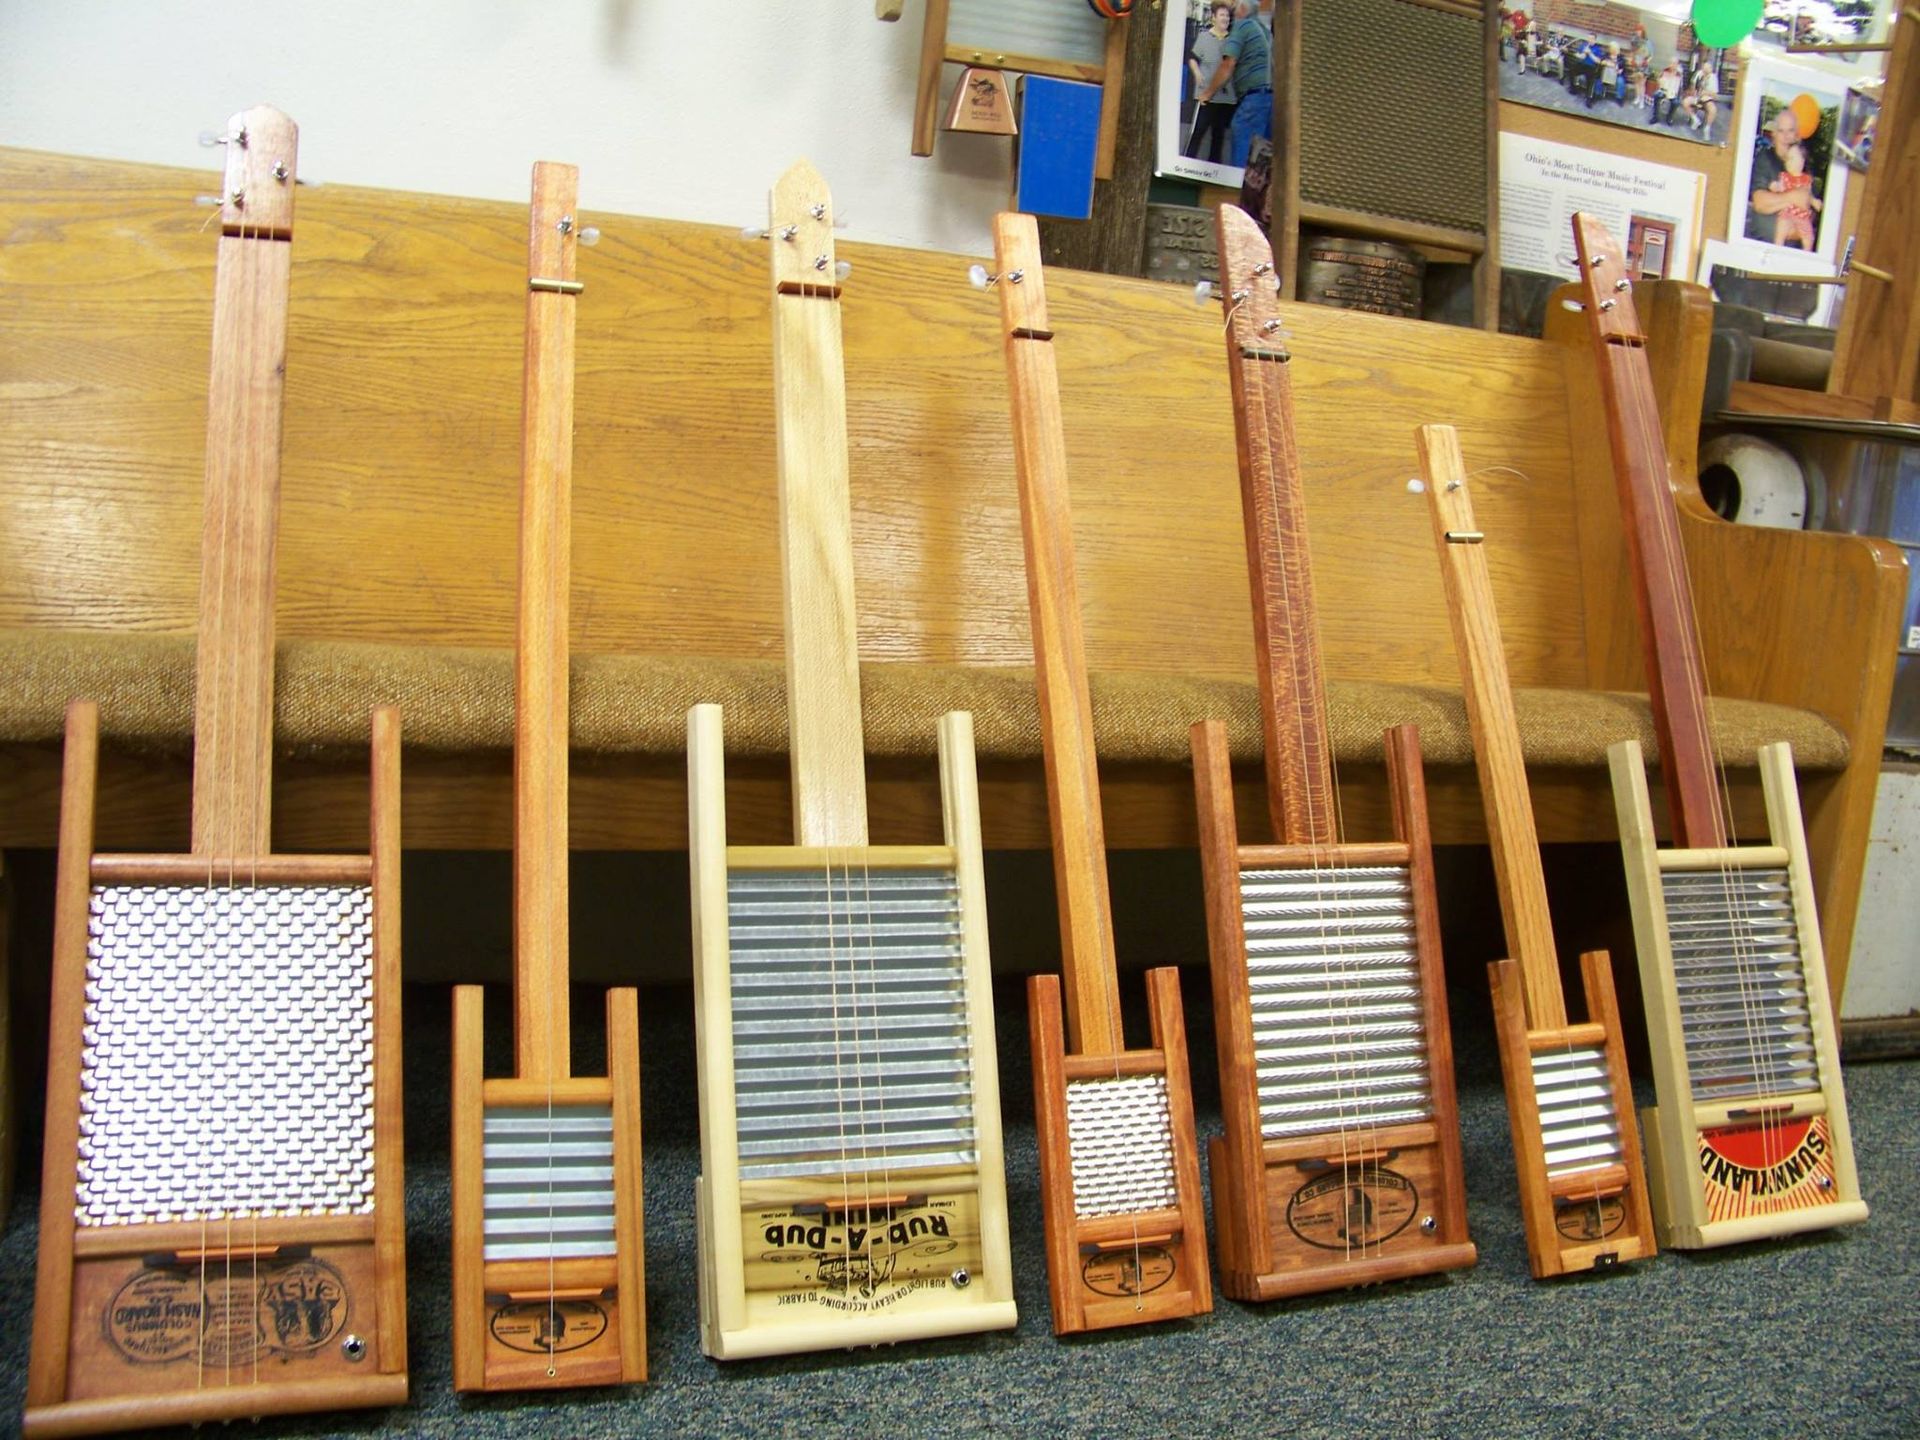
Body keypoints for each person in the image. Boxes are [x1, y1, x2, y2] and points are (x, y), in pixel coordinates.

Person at [1196, 1, 1272, 169]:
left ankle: (1235, 190)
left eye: (1230, 11)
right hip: (1271, 98)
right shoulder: (1264, 31)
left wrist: (1207, 93)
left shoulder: (1242, 26)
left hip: (1255, 97)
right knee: (1261, 158)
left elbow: (1228, 65)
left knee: (1243, 148)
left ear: (1242, 9)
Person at [1747, 105, 1817, 245]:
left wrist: (1779, 203)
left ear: (1797, 135)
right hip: (1760, 245)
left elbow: (1811, 213)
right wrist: (1793, 197)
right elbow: (1760, 203)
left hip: (1792, 250)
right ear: (1774, 134)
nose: (1785, 136)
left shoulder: (1804, 164)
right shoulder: (1765, 158)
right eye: (1781, 131)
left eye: (1790, 130)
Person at [1184, 3, 1238, 164]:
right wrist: (1197, 73)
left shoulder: (1233, 40)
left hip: (1226, 96)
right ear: (1213, 18)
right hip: (1206, 94)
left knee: (1218, 135)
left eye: (1227, 16)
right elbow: (1192, 58)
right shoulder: (1204, 37)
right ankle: (1187, 163)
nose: (1225, 18)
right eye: (1222, 15)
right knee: (1199, 130)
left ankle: (1214, 167)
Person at [1768, 141, 1822, 248]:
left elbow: (1808, 195)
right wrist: (1776, 186)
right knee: (1781, 229)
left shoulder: (1806, 180)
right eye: (1787, 159)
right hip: (1787, 212)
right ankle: (1778, 246)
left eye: (1792, 158)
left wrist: (1814, 201)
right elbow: (1780, 187)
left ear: (1802, 160)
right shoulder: (1785, 177)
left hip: (1802, 216)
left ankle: (1807, 253)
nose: (1788, 162)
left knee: (1808, 236)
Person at [1681, 64, 1718, 133]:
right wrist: (1693, 91)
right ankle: (1695, 120)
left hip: (1707, 99)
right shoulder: (1699, 74)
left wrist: (1706, 93)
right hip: (1697, 97)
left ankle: (1707, 127)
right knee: (1685, 102)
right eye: (1703, 70)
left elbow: (1715, 95)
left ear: (1710, 71)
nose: (1704, 72)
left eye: (1706, 71)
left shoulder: (1713, 78)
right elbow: (1693, 84)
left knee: (1713, 109)